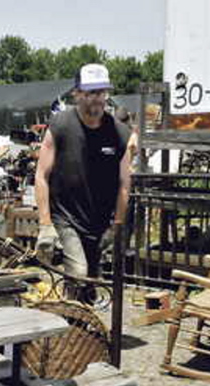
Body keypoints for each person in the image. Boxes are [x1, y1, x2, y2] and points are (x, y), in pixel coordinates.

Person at [35, 63, 132, 282]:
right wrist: (45, 224)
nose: (96, 99)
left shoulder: (119, 133)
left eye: (101, 93)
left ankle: (73, 315)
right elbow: (41, 175)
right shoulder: (60, 125)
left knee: (91, 284)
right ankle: (72, 311)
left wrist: (117, 225)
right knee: (79, 273)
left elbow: (125, 183)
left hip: (97, 222)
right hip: (65, 217)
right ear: (77, 94)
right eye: (90, 93)